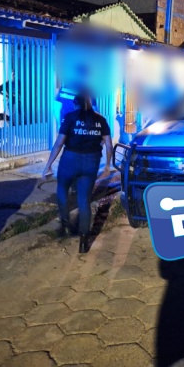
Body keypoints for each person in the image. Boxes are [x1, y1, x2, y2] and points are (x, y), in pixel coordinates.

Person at [42, 92, 113, 253]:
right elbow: (109, 146)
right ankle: (83, 242)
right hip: (91, 162)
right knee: (84, 200)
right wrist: (108, 166)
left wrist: (48, 165)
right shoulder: (100, 120)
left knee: (62, 189)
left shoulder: (70, 117)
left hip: (70, 160)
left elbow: (59, 143)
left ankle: (65, 224)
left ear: (75, 104)